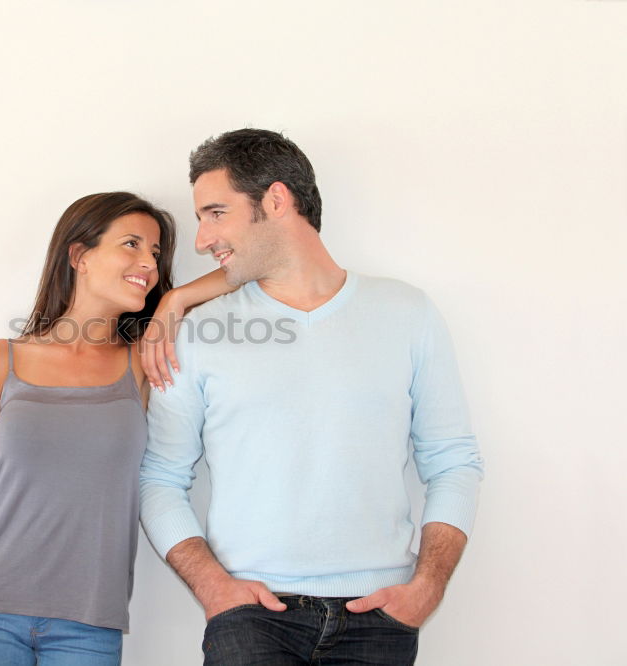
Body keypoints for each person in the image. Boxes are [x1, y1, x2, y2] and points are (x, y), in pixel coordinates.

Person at [138, 129, 485, 665]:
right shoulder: (197, 333)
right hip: (251, 617)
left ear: (276, 200)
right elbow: (159, 477)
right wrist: (214, 590)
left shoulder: (406, 312)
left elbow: (454, 460)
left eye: (215, 213)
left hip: (380, 617)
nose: (203, 240)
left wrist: (427, 586)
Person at [0, 191, 178, 665]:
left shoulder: (142, 365)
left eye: (155, 252)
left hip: (89, 626)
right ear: (80, 255)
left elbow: (242, 274)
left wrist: (178, 299)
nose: (148, 263)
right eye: (131, 244)